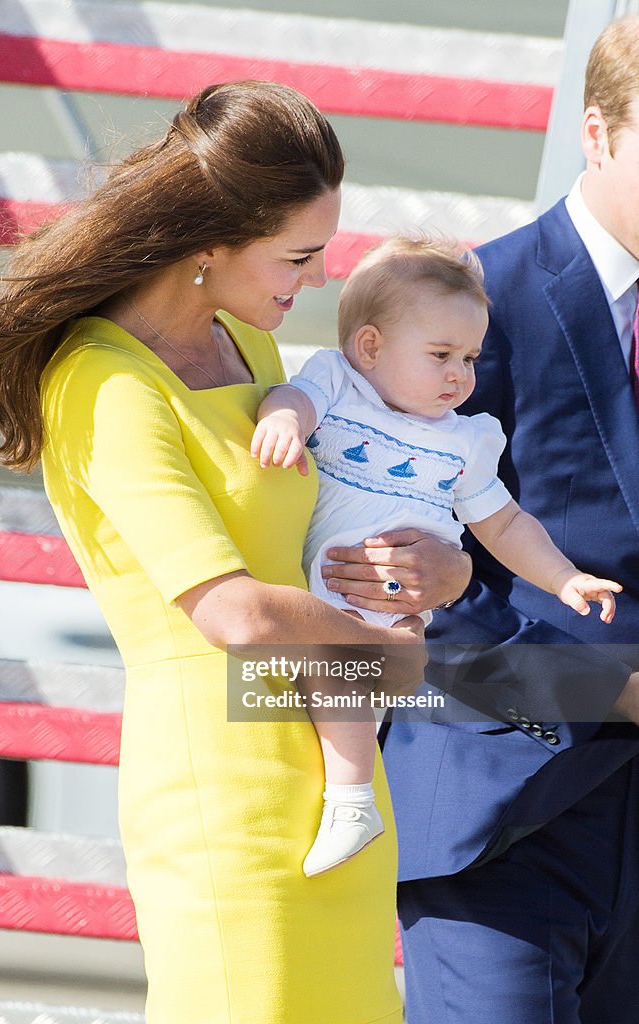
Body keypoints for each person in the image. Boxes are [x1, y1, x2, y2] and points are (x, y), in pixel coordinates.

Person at [0, 80, 461, 1024]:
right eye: (299, 254)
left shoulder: (250, 351)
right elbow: (235, 612)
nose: (322, 278)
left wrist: (440, 569)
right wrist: (391, 657)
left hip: (334, 768)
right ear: (208, 245)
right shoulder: (101, 379)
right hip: (221, 780)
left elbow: (324, 538)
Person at [370, 18, 639, 1024]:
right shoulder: (466, 310)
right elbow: (394, 592)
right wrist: (611, 689)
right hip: (501, 826)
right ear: (598, 133)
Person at [252, 234, 621, 879]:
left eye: (471, 358)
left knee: (356, 674)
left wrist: (565, 578)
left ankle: (350, 801)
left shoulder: (464, 440)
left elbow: (504, 523)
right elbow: (294, 401)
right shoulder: (336, 385)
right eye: (441, 355)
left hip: (391, 599)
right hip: (315, 581)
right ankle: (343, 798)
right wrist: (283, 419)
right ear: (370, 347)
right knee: (314, 682)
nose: (461, 375)